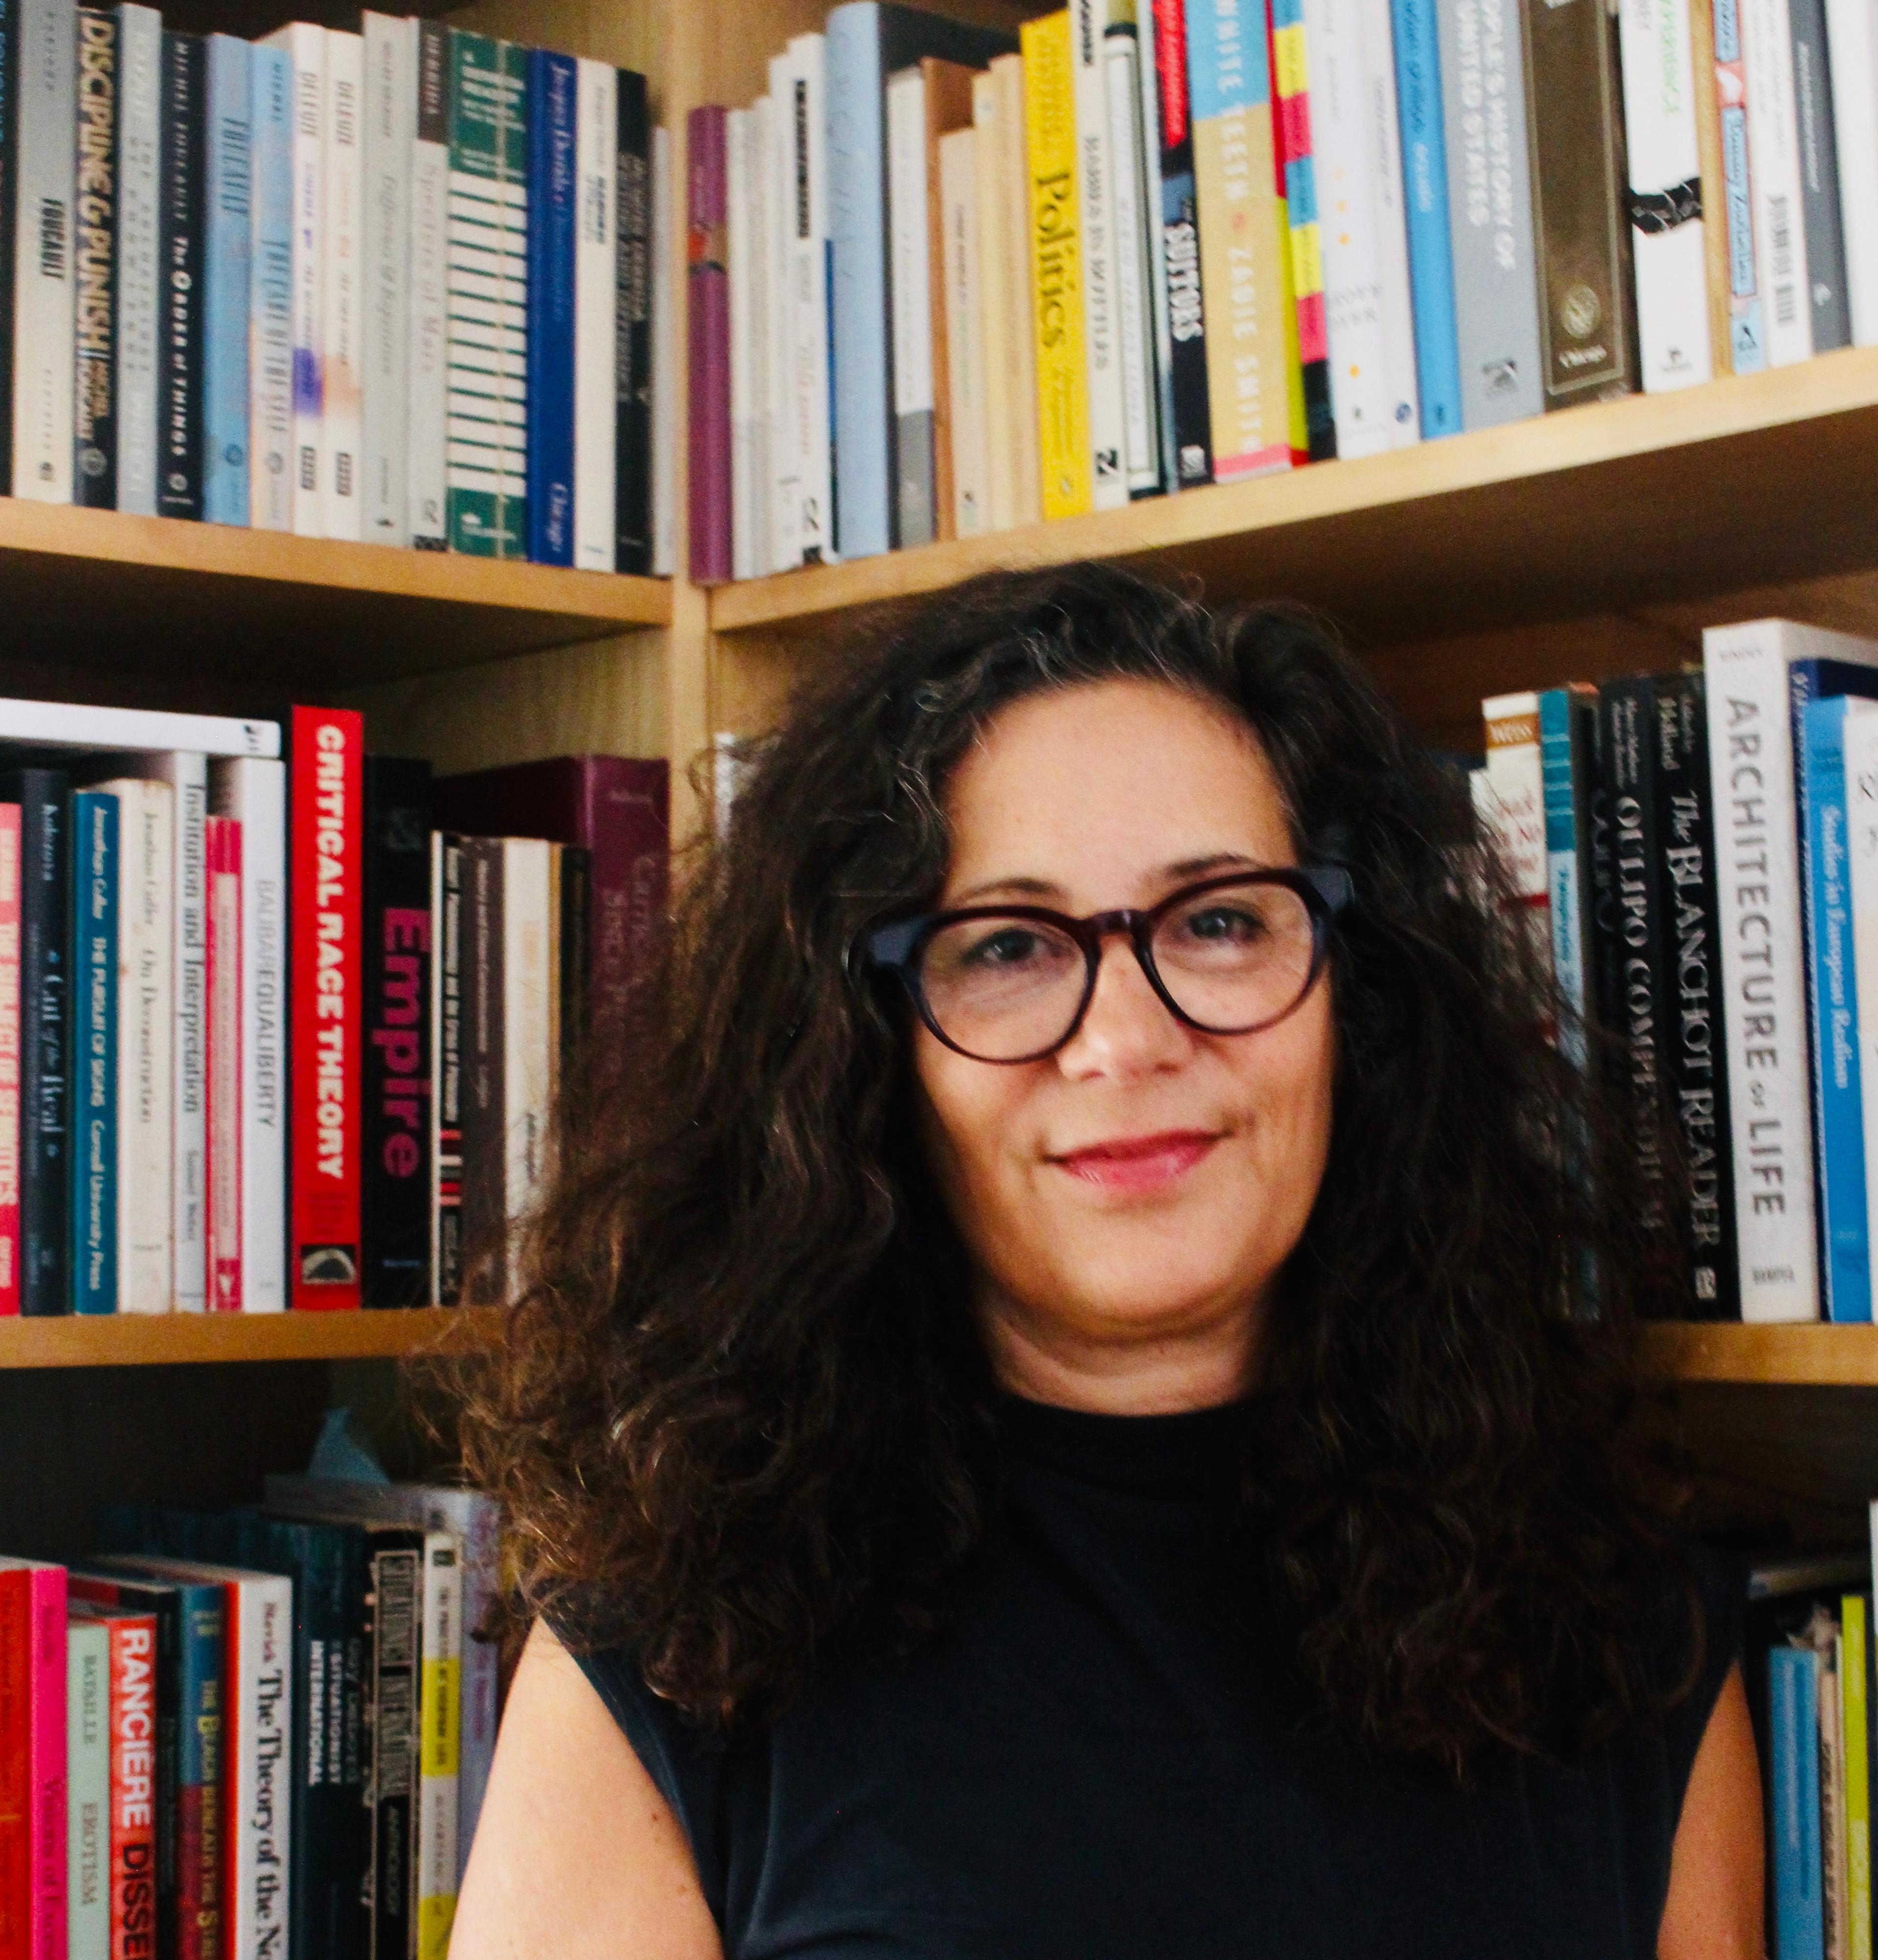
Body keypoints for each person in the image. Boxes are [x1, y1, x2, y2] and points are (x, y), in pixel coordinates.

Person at [449, 566, 1762, 1960]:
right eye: (1008, 946)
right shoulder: (672, 1645)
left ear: (1358, 1001)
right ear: (861, 1058)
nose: (1127, 1040)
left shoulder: (1628, 1622)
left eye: (1218, 921)